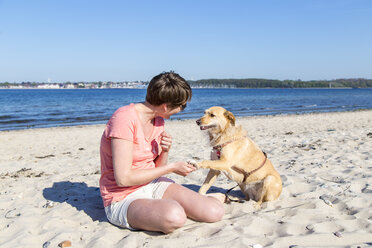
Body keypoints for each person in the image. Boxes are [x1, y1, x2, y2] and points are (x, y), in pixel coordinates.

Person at [99, 72, 225, 234]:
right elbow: (123, 179)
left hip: (152, 184)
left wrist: (164, 151)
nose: (182, 110)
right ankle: (171, 206)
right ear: (166, 106)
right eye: (182, 106)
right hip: (123, 196)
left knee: (215, 212)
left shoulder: (158, 120)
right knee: (175, 216)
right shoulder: (124, 119)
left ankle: (199, 201)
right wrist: (172, 168)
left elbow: (157, 169)